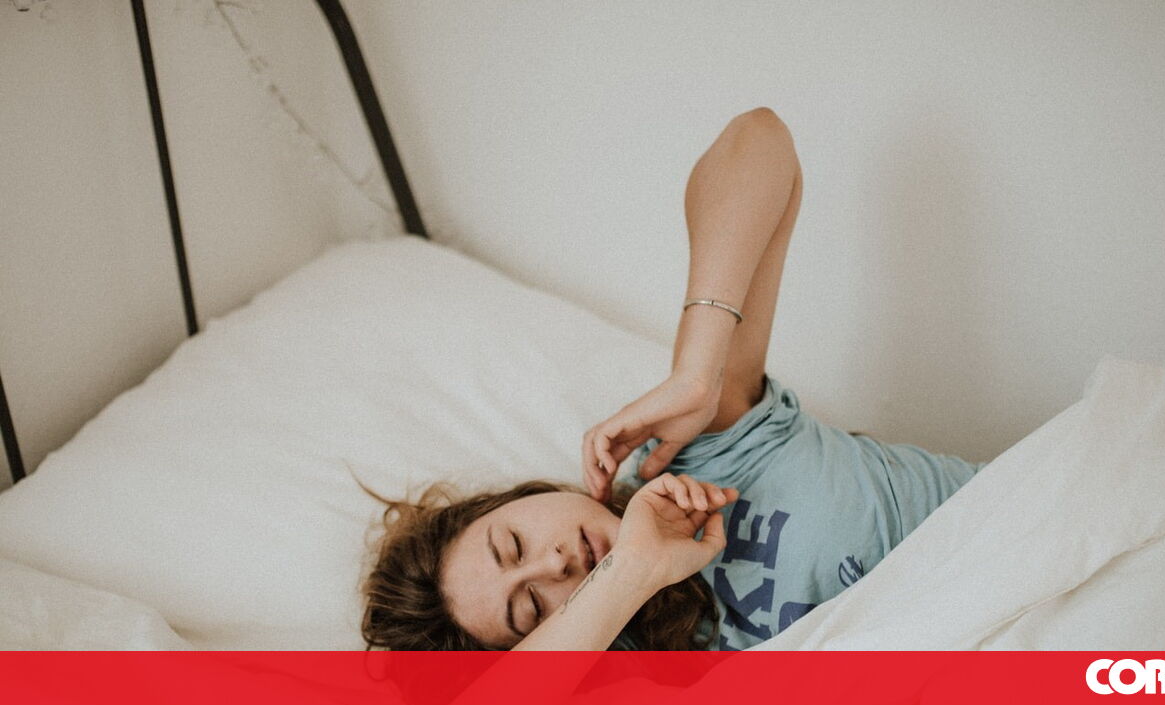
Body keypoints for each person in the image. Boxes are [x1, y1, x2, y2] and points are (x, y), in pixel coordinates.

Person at [361, 107, 985, 653]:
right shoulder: (652, 675)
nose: (554, 564)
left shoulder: (693, 454)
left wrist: (697, 372)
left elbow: (758, 140)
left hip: (1014, 532)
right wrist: (630, 572)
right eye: (531, 609)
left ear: (522, 497)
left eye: (515, 544)